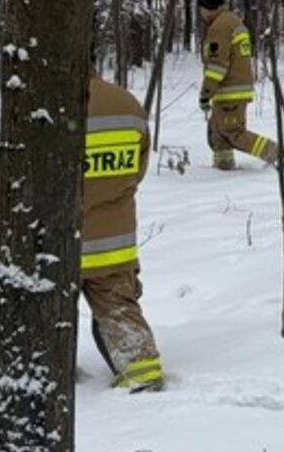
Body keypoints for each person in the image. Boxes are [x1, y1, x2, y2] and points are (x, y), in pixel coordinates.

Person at [83, 67, 164, 392]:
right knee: (119, 310)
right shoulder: (127, 105)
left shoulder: (46, 104)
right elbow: (137, 171)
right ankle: (144, 376)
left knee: (42, 318)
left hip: (56, 242)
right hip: (114, 242)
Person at [196, 0, 284, 171]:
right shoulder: (233, 22)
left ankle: (280, 154)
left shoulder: (220, 27)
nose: (200, 14)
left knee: (233, 133)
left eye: (201, 9)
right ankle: (223, 166)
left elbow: (217, 66)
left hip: (228, 91)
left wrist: (205, 93)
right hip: (235, 88)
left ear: (209, 7)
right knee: (218, 132)